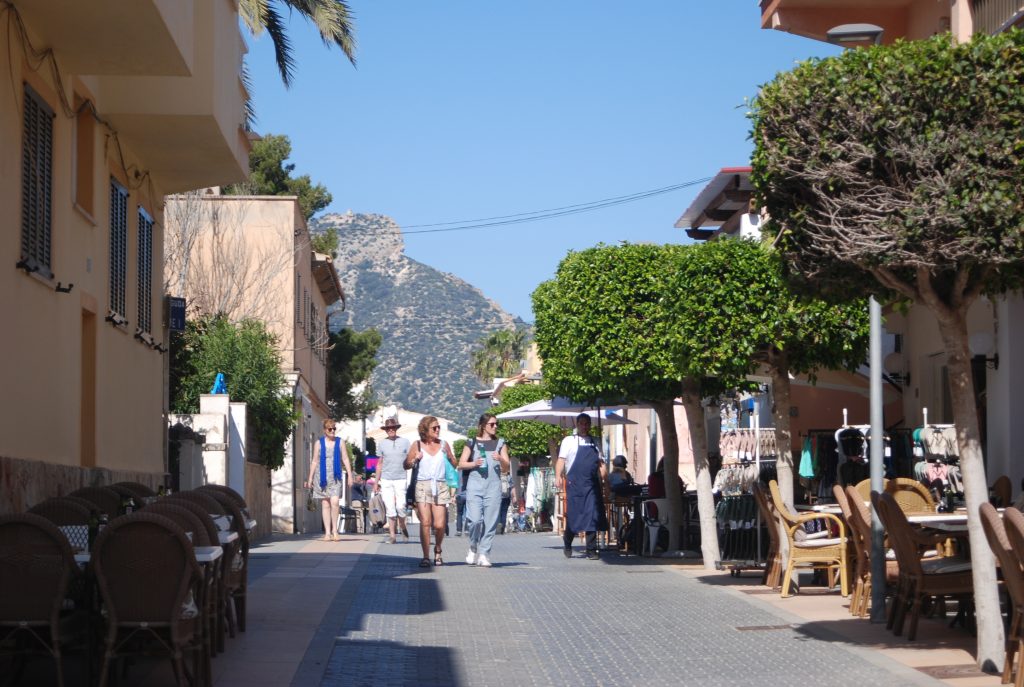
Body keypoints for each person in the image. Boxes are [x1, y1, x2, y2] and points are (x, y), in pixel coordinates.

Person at [458, 414, 510, 567]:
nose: (495, 427)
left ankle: (484, 553)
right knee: (475, 520)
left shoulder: (500, 443)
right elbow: (461, 464)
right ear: (483, 425)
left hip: (493, 487)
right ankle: (473, 546)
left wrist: (501, 459)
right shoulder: (471, 442)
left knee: (490, 522)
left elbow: (506, 468)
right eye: (492, 424)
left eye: (496, 424)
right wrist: (474, 463)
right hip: (475, 486)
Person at [406, 416, 457, 567]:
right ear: (425, 430)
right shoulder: (417, 445)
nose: (437, 430)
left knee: (440, 525)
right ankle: (426, 556)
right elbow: (406, 465)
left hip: (440, 485)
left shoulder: (444, 445)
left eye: (438, 427)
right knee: (426, 522)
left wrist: (449, 457)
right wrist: (414, 459)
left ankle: (438, 548)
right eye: (434, 428)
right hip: (422, 485)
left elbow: (454, 464)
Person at [556, 413, 608, 560]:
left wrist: (606, 482)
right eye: (582, 423)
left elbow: (601, 465)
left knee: (592, 516)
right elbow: (561, 461)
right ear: (577, 425)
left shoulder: (596, 442)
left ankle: (591, 550)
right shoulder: (568, 441)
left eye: (587, 424)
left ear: (590, 425)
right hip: (575, 484)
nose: (584, 426)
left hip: (592, 484)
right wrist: (558, 476)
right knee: (575, 516)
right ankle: (568, 541)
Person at [304, 418, 351, 541]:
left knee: (335, 502)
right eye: (330, 429)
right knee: (325, 504)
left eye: (334, 428)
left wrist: (350, 476)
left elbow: (345, 459)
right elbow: (314, 461)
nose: (333, 431)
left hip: (335, 477)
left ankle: (335, 530)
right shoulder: (318, 443)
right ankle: (327, 532)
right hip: (322, 477)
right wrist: (309, 479)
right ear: (325, 430)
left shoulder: (340, 442)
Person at [374, 416, 411, 544]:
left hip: (401, 478)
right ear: (385, 430)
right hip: (386, 479)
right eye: (388, 428)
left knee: (401, 506)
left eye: (393, 427)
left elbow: (410, 459)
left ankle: (403, 526)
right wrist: (376, 482)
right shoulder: (382, 443)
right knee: (390, 508)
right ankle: (392, 536)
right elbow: (379, 463)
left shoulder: (405, 442)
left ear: (396, 428)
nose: (391, 430)